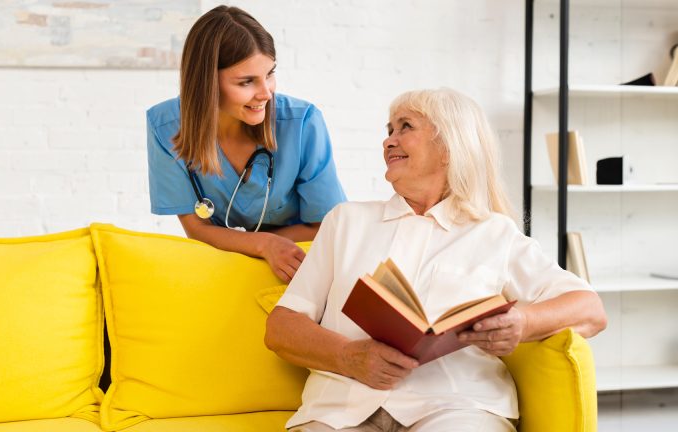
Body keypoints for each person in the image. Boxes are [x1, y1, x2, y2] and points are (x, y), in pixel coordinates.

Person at [265, 88, 607, 431]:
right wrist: (348, 357)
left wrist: (522, 322)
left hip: (457, 408)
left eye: (405, 127)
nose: (388, 142)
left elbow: (590, 310)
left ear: (449, 148)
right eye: (389, 131)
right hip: (340, 411)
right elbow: (281, 327)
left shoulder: (494, 233)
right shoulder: (345, 221)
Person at [147, 6, 346, 282]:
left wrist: (256, 244)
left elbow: (326, 227)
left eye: (270, 74)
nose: (266, 93)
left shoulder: (302, 123)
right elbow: (197, 229)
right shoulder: (165, 127)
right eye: (247, 82)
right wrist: (263, 245)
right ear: (207, 84)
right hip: (223, 268)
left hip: (301, 265)